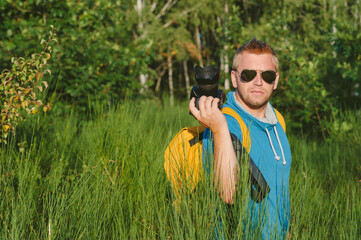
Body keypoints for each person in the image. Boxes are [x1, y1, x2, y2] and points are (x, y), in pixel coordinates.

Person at [189, 38, 292, 239]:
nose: (258, 81)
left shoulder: (277, 121)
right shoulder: (223, 122)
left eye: (267, 75)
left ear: (276, 80)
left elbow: (280, 192)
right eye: (248, 74)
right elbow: (228, 194)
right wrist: (218, 127)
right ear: (235, 79)